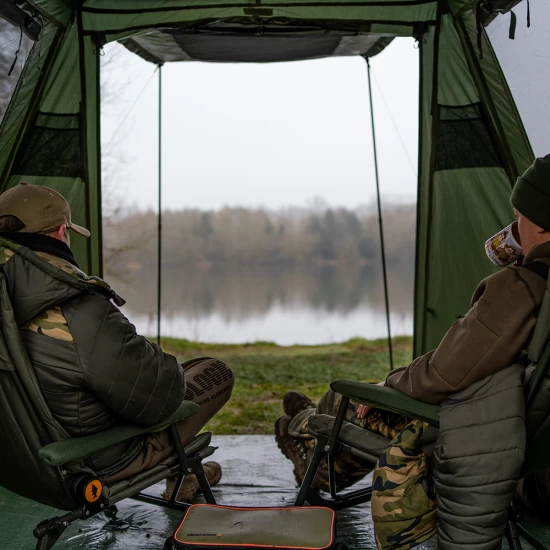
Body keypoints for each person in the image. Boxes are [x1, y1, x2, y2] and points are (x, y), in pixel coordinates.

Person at [275, 154, 550, 511]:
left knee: (352, 402)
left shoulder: (524, 287)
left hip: (495, 449)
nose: (514, 226)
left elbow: (443, 374)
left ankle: (299, 433)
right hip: (534, 448)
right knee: (362, 404)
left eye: (518, 217)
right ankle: (307, 427)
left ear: (540, 225)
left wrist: (389, 384)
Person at [0, 182, 234, 501]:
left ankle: (186, 476)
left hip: (18, 462)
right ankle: (186, 475)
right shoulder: (77, 309)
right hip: (93, 460)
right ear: (61, 233)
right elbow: (159, 398)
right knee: (213, 373)